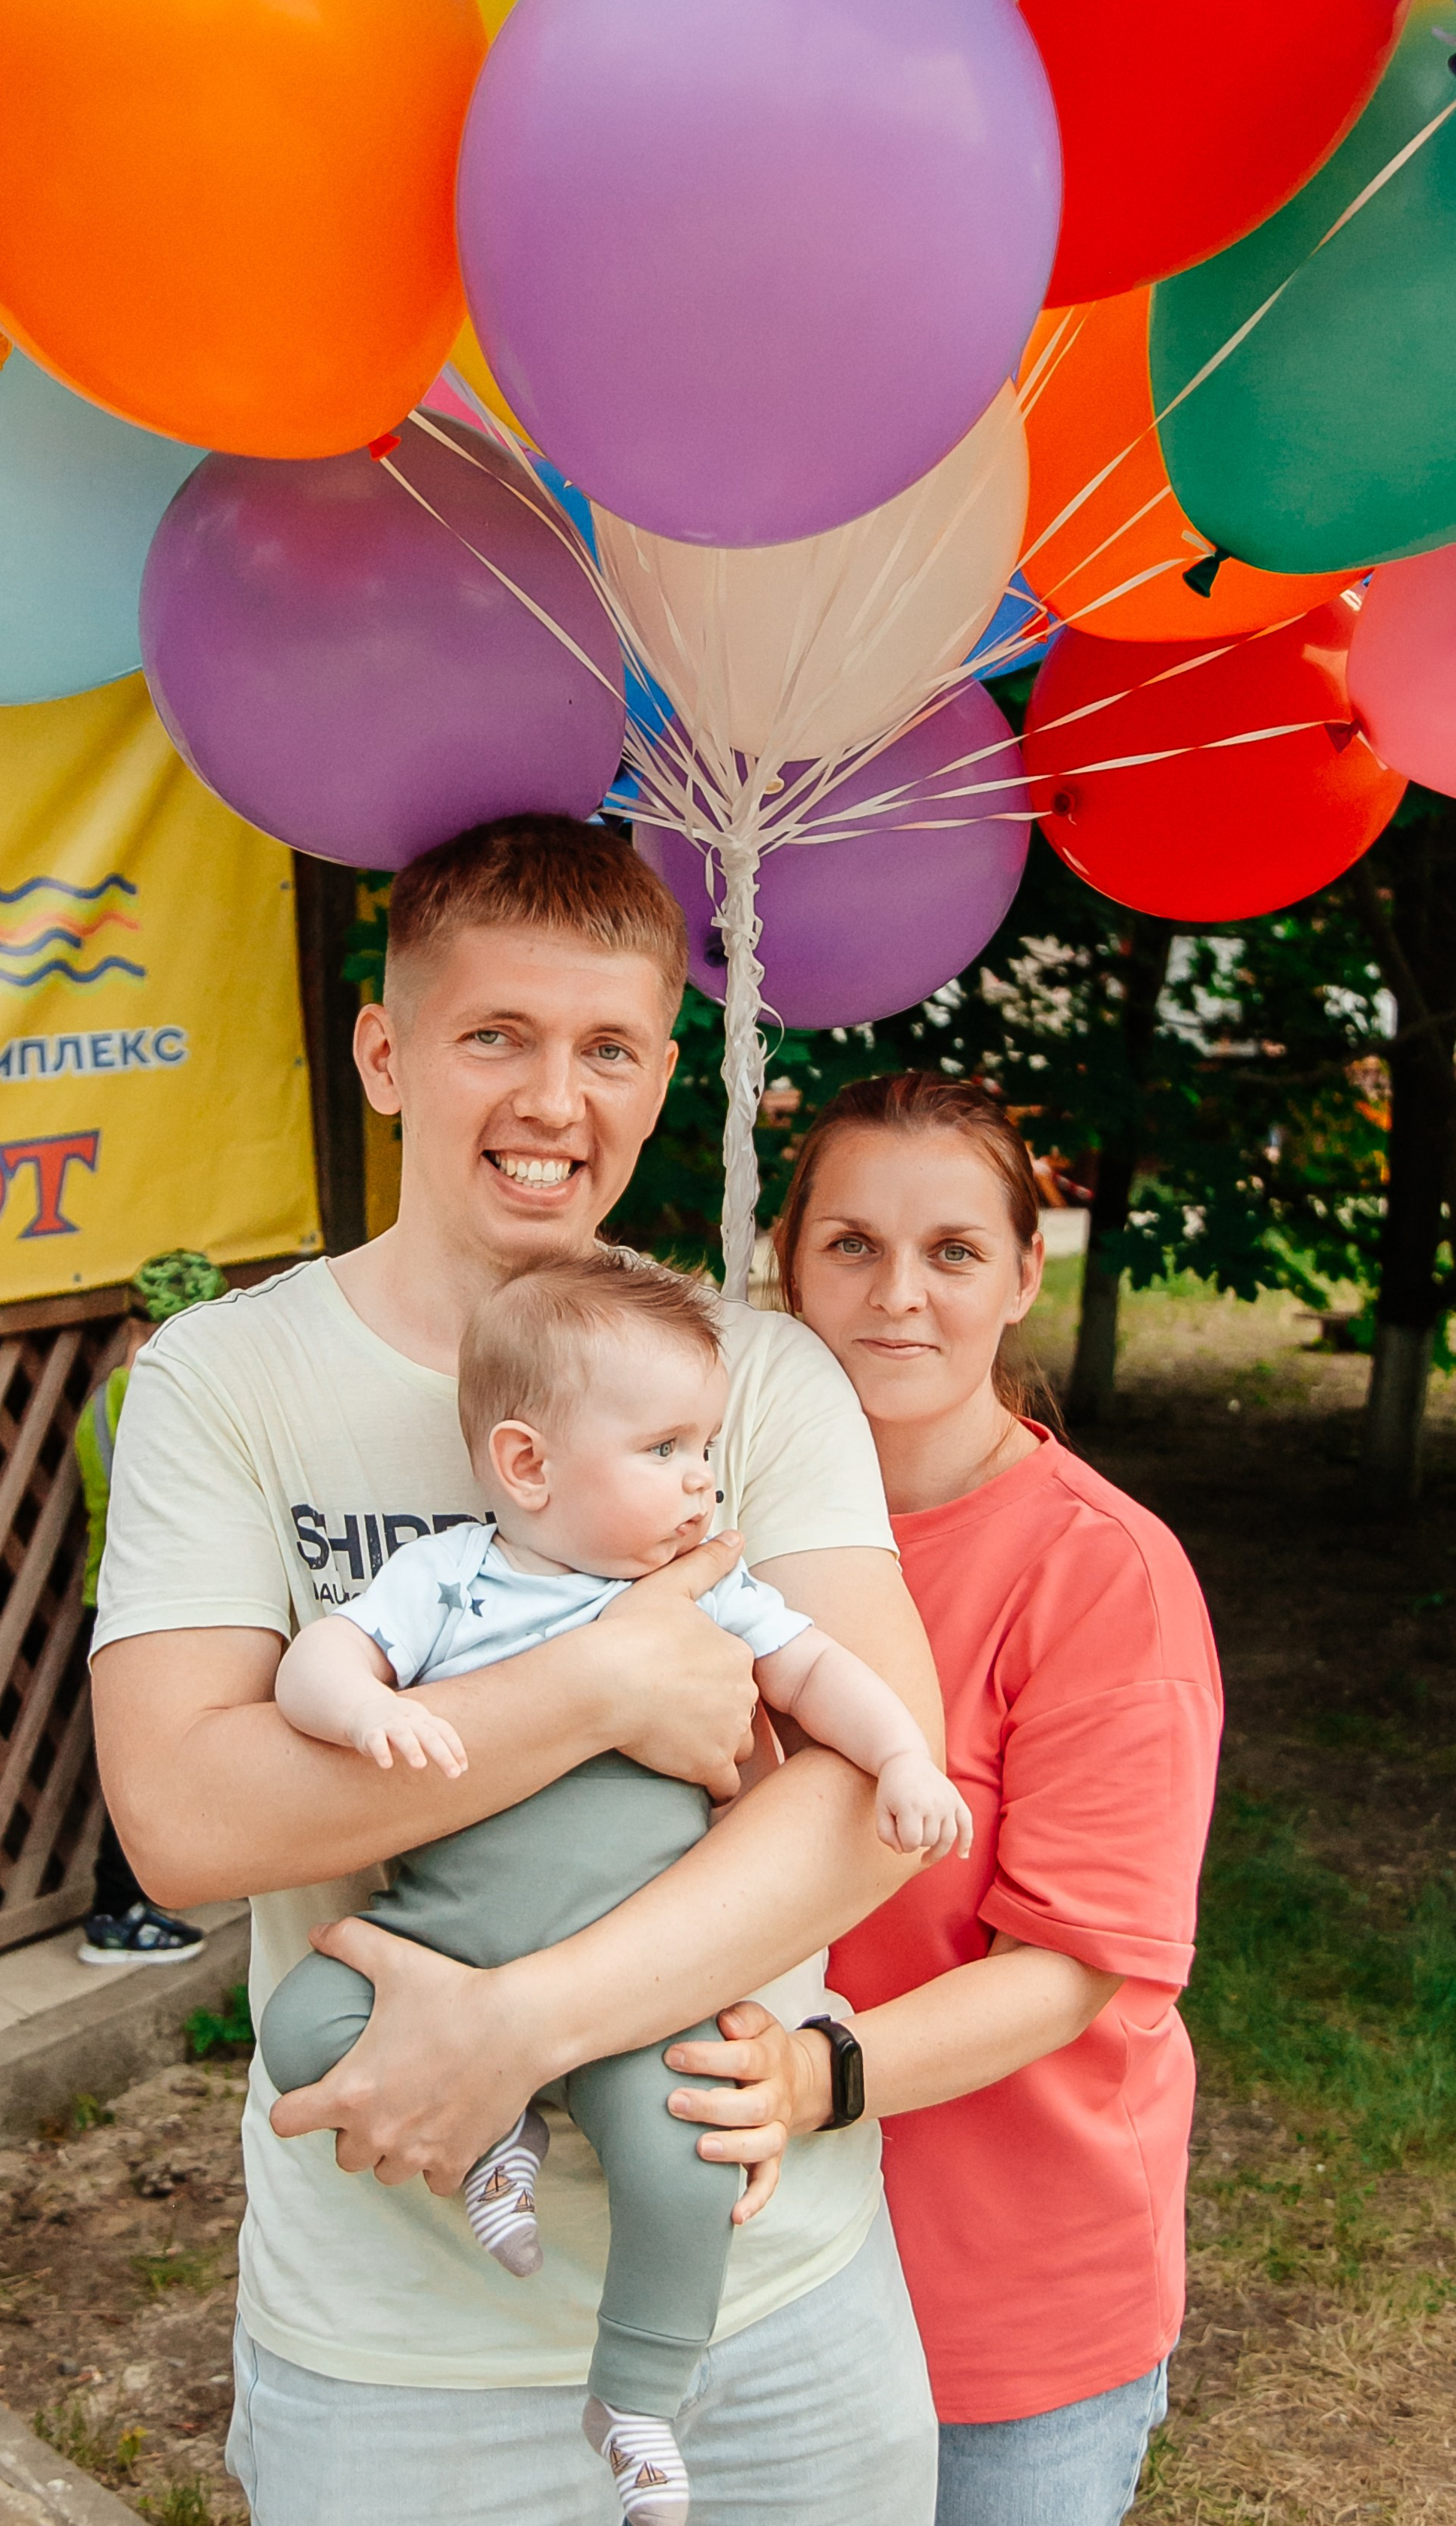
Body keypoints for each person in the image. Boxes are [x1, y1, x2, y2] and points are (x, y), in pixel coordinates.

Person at [89, 815, 943, 2525]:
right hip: (396, 2358)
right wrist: (605, 1687)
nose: (559, 1102)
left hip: (774, 2310)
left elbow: (870, 1801)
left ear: (659, 1072)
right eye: (500, 1037)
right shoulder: (229, 1378)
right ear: (388, 1052)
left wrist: (516, 2029)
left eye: (610, 1048)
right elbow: (183, 1818)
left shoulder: (753, 1378)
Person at [260, 1255, 970, 2526]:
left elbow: (822, 1675)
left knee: (686, 2163)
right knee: (300, 2030)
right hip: (444, 1943)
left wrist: (904, 1756)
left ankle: (636, 2397)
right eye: (664, 1449)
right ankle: (497, 2133)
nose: (703, 1477)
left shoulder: (703, 1592)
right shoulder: (449, 1578)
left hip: (650, 1975)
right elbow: (317, 1661)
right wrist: (362, 1706)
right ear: (527, 1467)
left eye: (705, 1445)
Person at [655, 1074, 1222, 2526]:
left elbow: (1075, 1965)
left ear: (1027, 1271)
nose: (894, 1295)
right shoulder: (693, 1528)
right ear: (785, 1259)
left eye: (952, 1251)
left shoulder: (1102, 1573)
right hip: (740, 2274)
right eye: (848, 1244)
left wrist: (809, 2078)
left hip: (999, 2304)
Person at [74, 1249, 229, 1967]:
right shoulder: (170, 1398)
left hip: (108, 1597)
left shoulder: (105, 1396)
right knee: (147, 1765)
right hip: (160, 1604)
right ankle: (117, 1911)